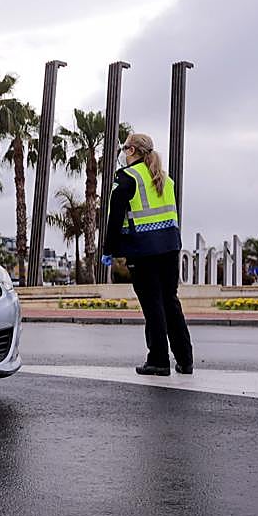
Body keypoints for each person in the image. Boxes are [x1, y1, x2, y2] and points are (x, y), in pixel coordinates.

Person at [101, 132, 192, 376]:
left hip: (144, 250)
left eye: (124, 147)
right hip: (170, 247)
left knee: (153, 305)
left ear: (132, 151)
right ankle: (185, 359)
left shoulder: (127, 177)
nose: (122, 152)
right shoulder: (165, 179)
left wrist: (109, 250)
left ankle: (159, 360)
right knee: (170, 302)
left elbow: (115, 217)